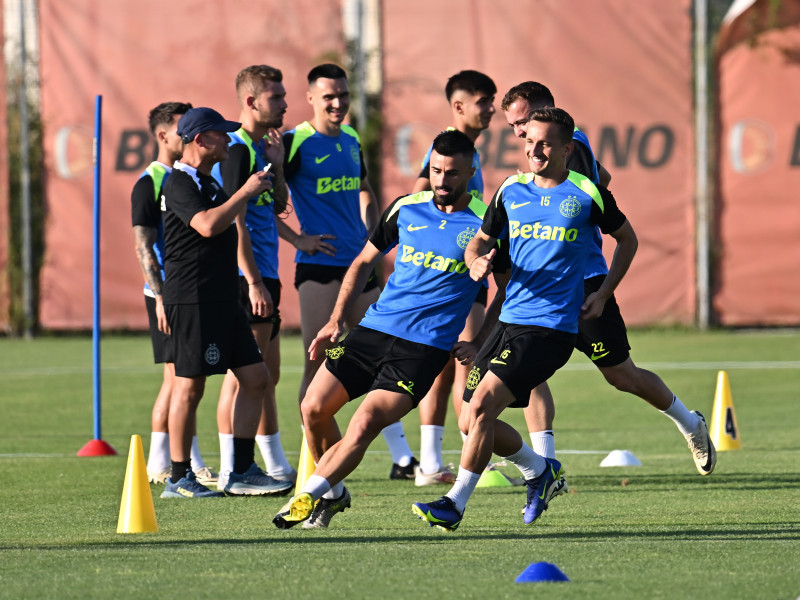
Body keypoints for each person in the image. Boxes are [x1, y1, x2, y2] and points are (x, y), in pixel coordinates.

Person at [412, 107, 637, 531]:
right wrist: (476, 263)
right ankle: (539, 470)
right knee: (470, 419)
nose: (534, 149)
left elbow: (627, 239)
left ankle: (454, 504)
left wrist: (604, 294)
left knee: (481, 406)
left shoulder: (586, 193)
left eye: (546, 142)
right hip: (507, 321)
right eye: (529, 141)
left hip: (550, 327)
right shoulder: (510, 191)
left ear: (568, 148)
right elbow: (477, 242)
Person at [272, 130, 506, 529]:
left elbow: (507, 289)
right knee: (312, 407)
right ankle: (333, 493)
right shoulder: (405, 208)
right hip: (372, 331)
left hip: (422, 349)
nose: (442, 181)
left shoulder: (486, 226)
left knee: (363, 423)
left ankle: (306, 497)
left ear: (471, 171)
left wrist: (480, 341)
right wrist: (335, 319)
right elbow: (363, 262)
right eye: (435, 171)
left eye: (451, 173)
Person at [501, 81, 716, 478]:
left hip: (581, 282)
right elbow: (602, 176)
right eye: (514, 126)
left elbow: (590, 193)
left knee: (621, 375)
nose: (519, 133)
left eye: (523, 120)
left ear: (548, 110)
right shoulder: (546, 156)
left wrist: (602, 291)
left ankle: (690, 422)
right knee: (527, 372)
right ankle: (545, 467)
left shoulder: (569, 146)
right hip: (540, 290)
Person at [278, 64, 415, 478]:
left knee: (384, 353)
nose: (337, 103)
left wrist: (376, 236)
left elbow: (364, 188)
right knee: (317, 363)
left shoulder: (352, 138)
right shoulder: (294, 142)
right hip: (319, 266)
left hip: (359, 266)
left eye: (342, 95)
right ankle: (316, 461)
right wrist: (297, 239)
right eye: (328, 97)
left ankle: (403, 459)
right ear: (311, 100)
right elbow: (258, 200)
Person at [159, 106, 292, 498]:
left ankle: (243, 469)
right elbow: (206, 225)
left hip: (224, 298)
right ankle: (179, 477)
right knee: (190, 388)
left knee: (256, 378)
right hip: (192, 299)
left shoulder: (208, 183)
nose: (227, 140)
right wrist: (245, 193)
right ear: (200, 139)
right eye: (220, 134)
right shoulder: (178, 183)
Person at [410, 70, 498, 486]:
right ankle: (465, 456)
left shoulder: (470, 151)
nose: (491, 108)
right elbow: (420, 192)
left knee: (449, 363)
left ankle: (433, 462)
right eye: (484, 101)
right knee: (465, 358)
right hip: (456, 276)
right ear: (459, 106)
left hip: (469, 274)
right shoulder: (447, 149)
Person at [212, 65, 296, 491]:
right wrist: (253, 281)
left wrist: (278, 166)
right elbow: (236, 222)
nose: (284, 103)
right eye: (276, 97)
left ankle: (263, 464)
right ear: (251, 101)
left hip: (267, 272)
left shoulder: (261, 149)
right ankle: (235, 469)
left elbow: (278, 206)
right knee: (245, 374)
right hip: (252, 277)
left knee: (267, 373)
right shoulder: (237, 149)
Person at [130, 101, 216, 487]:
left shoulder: (189, 177)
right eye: (182, 129)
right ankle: (167, 463)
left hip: (189, 289)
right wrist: (161, 295)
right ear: (164, 136)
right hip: (167, 293)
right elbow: (144, 246)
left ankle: (178, 461)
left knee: (181, 377)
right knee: (177, 379)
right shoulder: (151, 182)